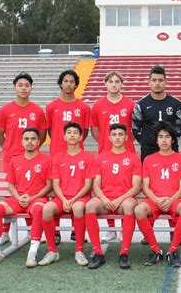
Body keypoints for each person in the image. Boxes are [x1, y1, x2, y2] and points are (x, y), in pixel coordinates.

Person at [0, 128, 52, 267]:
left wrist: (32, 198)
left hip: (37, 199)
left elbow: (49, 186)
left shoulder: (46, 160)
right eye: (26, 139)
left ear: (38, 141)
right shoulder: (15, 160)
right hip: (18, 199)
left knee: (38, 211)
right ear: (22, 141)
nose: (29, 142)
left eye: (33, 139)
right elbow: (10, 185)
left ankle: (32, 252)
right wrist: (18, 197)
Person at [0, 72, 47, 244]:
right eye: (20, 85)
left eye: (27, 85)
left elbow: (42, 134)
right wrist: (9, 148)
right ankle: (4, 232)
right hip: (11, 159)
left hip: (32, 159)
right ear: (14, 87)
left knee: (30, 192)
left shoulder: (37, 110)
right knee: (11, 194)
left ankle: (31, 230)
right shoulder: (5, 109)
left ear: (31, 88)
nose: (24, 88)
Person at [85, 123, 142, 269]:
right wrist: (104, 198)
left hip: (123, 200)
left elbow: (136, 187)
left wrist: (119, 199)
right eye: (114, 135)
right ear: (109, 138)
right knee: (90, 205)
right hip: (105, 199)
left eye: (120, 135)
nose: (117, 137)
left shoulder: (133, 158)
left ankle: (124, 253)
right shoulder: (101, 157)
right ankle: (98, 253)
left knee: (130, 205)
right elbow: (95, 185)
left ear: (126, 137)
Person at [135, 122, 181, 267]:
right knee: (139, 209)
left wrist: (171, 200)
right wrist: (157, 200)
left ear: (173, 140)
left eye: (167, 137)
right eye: (161, 137)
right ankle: (156, 251)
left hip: (174, 199)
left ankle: (172, 251)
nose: (164, 140)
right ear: (156, 140)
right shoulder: (149, 159)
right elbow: (145, 187)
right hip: (154, 200)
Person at [38, 122, 95, 267]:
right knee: (46, 209)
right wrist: (63, 199)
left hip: (80, 197)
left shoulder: (88, 157)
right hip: (61, 197)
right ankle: (52, 251)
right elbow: (55, 184)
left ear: (81, 136)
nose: (72, 135)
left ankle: (79, 250)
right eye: (69, 132)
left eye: (75, 132)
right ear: (64, 136)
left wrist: (73, 199)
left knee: (77, 208)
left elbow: (88, 185)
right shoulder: (57, 158)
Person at [46, 69, 90, 244]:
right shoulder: (51, 107)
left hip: (77, 156)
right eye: (65, 81)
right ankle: (55, 231)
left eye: (72, 81)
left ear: (76, 85)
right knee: (55, 191)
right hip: (56, 155)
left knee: (76, 189)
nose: (68, 84)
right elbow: (50, 130)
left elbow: (84, 132)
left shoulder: (83, 107)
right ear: (60, 83)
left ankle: (75, 230)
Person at [91, 71, 135, 242]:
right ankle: (110, 229)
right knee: (107, 190)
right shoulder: (98, 105)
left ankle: (124, 227)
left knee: (124, 189)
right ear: (106, 84)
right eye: (111, 81)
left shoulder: (130, 104)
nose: (114, 84)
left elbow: (134, 129)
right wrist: (106, 142)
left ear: (122, 84)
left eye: (117, 81)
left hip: (127, 154)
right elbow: (95, 130)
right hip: (105, 153)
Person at [132, 65, 181, 162]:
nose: (157, 83)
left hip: (171, 150)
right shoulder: (141, 105)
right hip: (148, 151)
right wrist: (147, 142)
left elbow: (179, 127)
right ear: (149, 82)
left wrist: (169, 141)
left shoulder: (176, 104)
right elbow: (135, 128)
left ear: (166, 82)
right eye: (154, 80)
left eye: (160, 80)